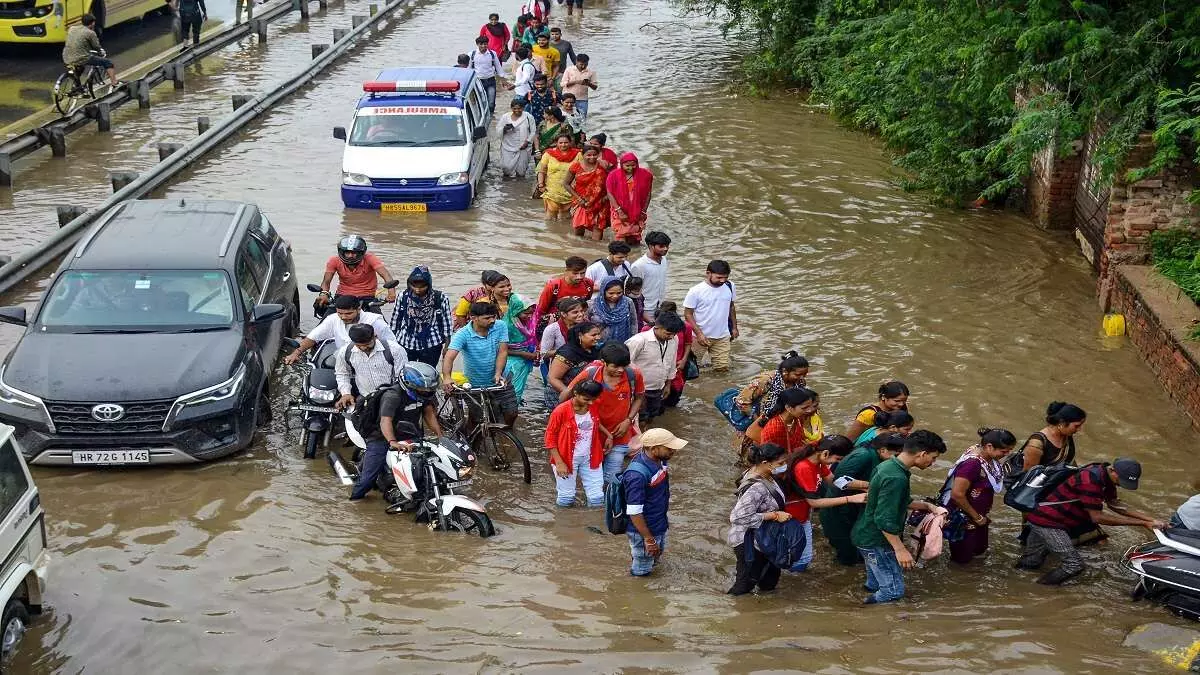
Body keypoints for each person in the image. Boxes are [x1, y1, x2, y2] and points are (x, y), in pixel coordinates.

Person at [1019, 457, 1165, 584]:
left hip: (1052, 518)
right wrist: (1142, 523)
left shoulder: (1104, 475)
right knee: (1074, 565)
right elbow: (1098, 517)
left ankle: (1019, 585)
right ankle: (1041, 588)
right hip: (1049, 522)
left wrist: (1150, 519)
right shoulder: (1090, 480)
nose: (1121, 484)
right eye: (1121, 480)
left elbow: (1114, 504)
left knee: (1031, 562)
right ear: (1113, 470)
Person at [852, 430, 948, 604]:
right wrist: (900, 549)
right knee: (893, 592)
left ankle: (863, 599)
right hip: (877, 540)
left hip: (865, 534)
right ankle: (858, 610)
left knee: (875, 583)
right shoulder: (896, 477)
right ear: (922, 454)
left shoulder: (888, 466)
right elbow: (883, 519)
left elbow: (899, 500)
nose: (933, 463)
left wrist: (928, 506)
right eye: (933, 458)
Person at [351, 363, 442, 500]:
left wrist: (441, 437)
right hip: (381, 436)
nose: (426, 392)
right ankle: (355, 498)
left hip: (409, 433)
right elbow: (385, 421)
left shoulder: (426, 394)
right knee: (367, 481)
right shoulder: (392, 396)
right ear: (408, 385)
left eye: (429, 390)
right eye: (422, 390)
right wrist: (392, 442)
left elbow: (429, 415)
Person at [562, 342, 645, 484]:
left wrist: (628, 420)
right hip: (590, 435)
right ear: (603, 363)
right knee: (590, 475)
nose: (620, 370)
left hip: (619, 434)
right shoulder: (590, 373)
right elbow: (564, 398)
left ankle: (609, 504)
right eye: (615, 366)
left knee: (612, 478)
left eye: (623, 366)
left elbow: (639, 398)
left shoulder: (633, 374)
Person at [781, 436, 867, 572]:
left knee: (801, 556)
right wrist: (851, 499)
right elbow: (814, 502)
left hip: (802, 514)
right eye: (838, 459)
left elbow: (835, 481)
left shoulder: (818, 462)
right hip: (792, 517)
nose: (837, 462)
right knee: (799, 558)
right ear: (826, 453)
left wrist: (865, 486)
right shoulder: (804, 468)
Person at [820, 432, 906, 566]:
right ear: (882, 450)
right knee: (847, 554)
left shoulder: (880, 457)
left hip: (855, 508)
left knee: (860, 552)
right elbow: (839, 480)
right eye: (897, 454)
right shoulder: (863, 456)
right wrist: (871, 486)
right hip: (838, 509)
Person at [941, 428, 1016, 565]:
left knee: (979, 552)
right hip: (964, 519)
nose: (1007, 454)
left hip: (979, 517)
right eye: (1004, 451)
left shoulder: (985, 455)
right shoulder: (972, 464)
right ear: (989, 446)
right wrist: (977, 517)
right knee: (962, 560)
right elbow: (957, 495)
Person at [441, 301, 520, 429]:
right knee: (478, 418)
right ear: (473, 318)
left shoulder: (500, 326)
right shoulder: (462, 334)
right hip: (475, 383)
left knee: (512, 412)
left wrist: (498, 373)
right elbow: (449, 357)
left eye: (494, 316)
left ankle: (504, 435)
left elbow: (503, 351)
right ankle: (471, 442)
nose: (492, 320)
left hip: (500, 378)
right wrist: (447, 377)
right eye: (487, 318)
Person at [727, 443, 792, 596]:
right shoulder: (757, 486)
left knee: (769, 579)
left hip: (764, 536)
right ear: (765, 463)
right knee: (745, 585)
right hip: (749, 540)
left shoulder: (764, 475)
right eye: (780, 463)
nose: (784, 466)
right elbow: (738, 517)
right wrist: (774, 515)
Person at [624, 428, 685, 577]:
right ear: (653, 449)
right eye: (669, 448)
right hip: (645, 530)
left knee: (654, 558)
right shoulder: (636, 475)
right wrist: (648, 539)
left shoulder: (659, 460)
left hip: (658, 524)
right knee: (642, 570)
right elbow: (634, 512)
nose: (673, 451)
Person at [284, 295, 396, 364]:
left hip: (372, 361)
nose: (343, 317)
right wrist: (296, 353)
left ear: (358, 309)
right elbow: (313, 337)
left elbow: (392, 346)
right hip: (344, 361)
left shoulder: (375, 322)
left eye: (348, 314)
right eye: (340, 313)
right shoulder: (333, 319)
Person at [546, 380, 605, 507]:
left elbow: (595, 423)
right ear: (575, 393)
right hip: (566, 458)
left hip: (591, 456)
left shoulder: (594, 405)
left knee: (597, 498)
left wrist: (608, 435)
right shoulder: (560, 411)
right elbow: (550, 438)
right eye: (586, 399)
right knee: (566, 498)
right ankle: (563, 525)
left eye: (593, 399)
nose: (590, 403)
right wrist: (559, 462)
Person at [334, 323, 409, 411]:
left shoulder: (395, 349)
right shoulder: (345, 352)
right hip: (365, 397)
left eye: (367, 344)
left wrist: (392, 396)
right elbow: (342, 374)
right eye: (359, 345)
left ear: (375, 336)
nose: (363, 348)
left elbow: (403, 377)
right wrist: (346, 393)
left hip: (392, 397)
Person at [389, 266, 452, 369]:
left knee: (428, 373)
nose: (417, 290)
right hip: (405, 342)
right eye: (414, 286)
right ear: (409, 284)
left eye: (422, 286)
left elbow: (447, 324)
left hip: (432, 343)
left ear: (429, 284)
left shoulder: (440, 298)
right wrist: (392, 345)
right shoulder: (402, 296)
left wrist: (447, 347)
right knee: (406, 373)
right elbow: (395, 322)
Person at [624, 311, 682, 421]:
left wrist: (668, 385)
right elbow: (624, 365)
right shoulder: (638, 341)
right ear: (657, 327)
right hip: (638, 390)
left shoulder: (674, 339)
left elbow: (672, 363)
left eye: (674, 334)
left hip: (658, 388)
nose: (671, 337)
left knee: (652, 416)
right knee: (638, 419)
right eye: (668, 333)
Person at [683, 260, 737, 372]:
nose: (722, 280)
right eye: (719, 277)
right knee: (693, 370)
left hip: (722, 336)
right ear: (708, 273)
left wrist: (734, 327)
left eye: (725, 277)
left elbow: (731, 307)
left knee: (722, 369)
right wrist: (699, 334)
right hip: (699, 337)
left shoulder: (730, 286)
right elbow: (688, 314)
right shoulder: (696, 291)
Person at [317, 235, 395, 311]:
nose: (350, 256)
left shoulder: (370, 258)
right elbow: (326, 281)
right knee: (325, 319)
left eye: (354, 253)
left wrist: (391, 291)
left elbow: (385, 275)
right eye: (347, 252)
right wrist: (324, 294)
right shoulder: (334, 261)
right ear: (342, 252)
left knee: (380, 322)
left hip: (367, 296)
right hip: (343, 295)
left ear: (361, 252)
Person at [544, 321, 602, 409]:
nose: (598, 337)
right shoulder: (567, 353)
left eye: (598, 334)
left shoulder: (594, 350)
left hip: (583, 395)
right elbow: (553, 378)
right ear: (580, 336)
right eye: (593, 335)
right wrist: (570, 395)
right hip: (560, 393)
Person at [1019, 401, 1086, 472]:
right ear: (1062, 423)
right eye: (1077, 426)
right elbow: (1028, 474)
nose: (1080, 429)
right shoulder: (1036, 444)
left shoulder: (1066, 435)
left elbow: (1069, 461)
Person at [605, 152, 654, 245]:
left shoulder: (646, 175)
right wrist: (619, 211)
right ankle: (621, 257)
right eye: (627, 165)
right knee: (620, 236)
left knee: (634, 239)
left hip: (638, 212)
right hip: (619, 210)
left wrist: (643, 211)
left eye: (633, 165)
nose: (630, 168)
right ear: (622, 164)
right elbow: (610, 193)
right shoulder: (613, 175)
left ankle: (634, 257)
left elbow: (648, 194)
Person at [758, 387, 824, 455]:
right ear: (788, 408)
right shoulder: (774, 429)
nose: (810, 410)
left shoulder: (797, 418)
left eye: (810, 406)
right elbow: (768, 457)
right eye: (804, 408)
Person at [563, 143, 608, 239]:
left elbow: (612, 182)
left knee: (598, 227)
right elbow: (566, 184)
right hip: (581, 203)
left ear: (598, 155)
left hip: (600, 202)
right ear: (582, 155)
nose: (592, 157)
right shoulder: (575, 167)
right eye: (588, 155)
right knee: (579, 230)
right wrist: (578, 198)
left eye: (594, 155)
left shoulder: (604, 166)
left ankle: (595, 251)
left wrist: (606, 197)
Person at [62, 14, 120, 89]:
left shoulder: (72, 28)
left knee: (79, 67)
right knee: (108, 62)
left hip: (66, 56)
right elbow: (96, 46)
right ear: (92, 23)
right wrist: (101, 52)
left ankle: (76, 86)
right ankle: (115, 83)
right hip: (81, 57)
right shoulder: (90, 33)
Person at [501, 295, 539, 402]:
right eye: (525, 313)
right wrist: (522, 354)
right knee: (513, 390)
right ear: (515, 311)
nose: (529, 316)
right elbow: (498, 348)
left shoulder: (529, 322)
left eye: (531, 313)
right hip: (511, 361)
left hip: (525, 358)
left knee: (518, 387)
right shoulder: (506, 326)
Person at [846, 381, 911, 441]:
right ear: (883, 397)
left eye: (904, 401)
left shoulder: (902, 407)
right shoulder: (867, 415)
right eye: (897, 401)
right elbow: (850, 439)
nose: (901, 404)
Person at [628, 231, 670, 323]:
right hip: (645, 309)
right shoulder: (639, 265)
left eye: (667, 246)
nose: (666, 249)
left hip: (660, 307)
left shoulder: (664, 260)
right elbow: (632, 293)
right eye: (661, 246)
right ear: (651, 246)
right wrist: (641, 312)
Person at [535, 256, 594, 320]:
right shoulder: (553, 286)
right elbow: (540, 310)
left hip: (578, 320)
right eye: (575, 273)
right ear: (566, 271)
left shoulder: (588, 284)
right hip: (556, 322)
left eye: (582, 273)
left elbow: (585, 306)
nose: (579, 277)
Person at [659, 302, 693, 409]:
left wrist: (683, 360)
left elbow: (688, 343)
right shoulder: (651, 329)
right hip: (661, 366)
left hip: (679, 365)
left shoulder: (685, 327)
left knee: (675, 395)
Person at [536, 133, 579, 220]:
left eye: (566, 142)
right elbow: (542, 171)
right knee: (550, 217)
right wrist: (541, 184)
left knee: (565, 217)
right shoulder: (549, 154)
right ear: (556, 143)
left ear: (570, 143)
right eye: (561, 142)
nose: (563, 145)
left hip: (570, 190)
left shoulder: (578, 155)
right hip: (552, 190)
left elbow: (583, 170)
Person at [496, 99, 537, 179]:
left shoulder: (528, 117)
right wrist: (504, 129)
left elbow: (533, 131)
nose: (517, 110)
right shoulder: (505, 117)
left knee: (521, 171)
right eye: (514, 108)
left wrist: (527, 142)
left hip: (524, 147)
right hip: (507, 146)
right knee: (506, 168)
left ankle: (520, 187)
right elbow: (498, 129)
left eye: (519, 108)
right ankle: (507, 186)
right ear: (511, 108)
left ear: (523, 108)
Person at [589, 279, 638, 345]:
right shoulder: (592, 304)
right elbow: (586, 325)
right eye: (611, 293)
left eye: (619, 293)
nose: (615, 296)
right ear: (603, 291)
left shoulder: (628, 302)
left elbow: (633, 322)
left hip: (622, 342)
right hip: (598, 343)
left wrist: (633, 340)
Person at [470, 36, 507, 114]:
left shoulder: (492, 54)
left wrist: (503, 80)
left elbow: (498, 67)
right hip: (478, 82)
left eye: (485, 44)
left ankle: (491, 118)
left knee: (491, 103)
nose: (483, 46)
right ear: (477, 44)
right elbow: (468, 70)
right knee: (480, 102)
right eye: (481, 44)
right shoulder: (472, 54)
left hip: (491, 81)